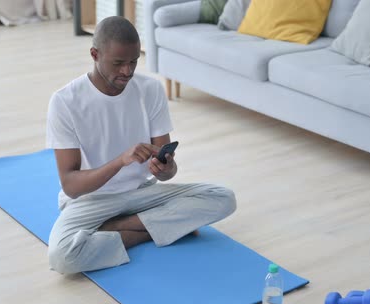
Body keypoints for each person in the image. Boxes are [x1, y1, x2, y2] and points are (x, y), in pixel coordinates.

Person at [45, 16, 236, 274]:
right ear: (94, 54)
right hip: (91, 201)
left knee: (223, 198)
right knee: (62, 257)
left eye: (133, 61)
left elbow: (168, 171)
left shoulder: (151, 90)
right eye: (118, 63)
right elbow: (71, 185)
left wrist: (165, 169)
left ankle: (118, 226)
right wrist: (120, 161)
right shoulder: (65, 102)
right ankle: (157, 230)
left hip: (142, 193)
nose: (127, 71)